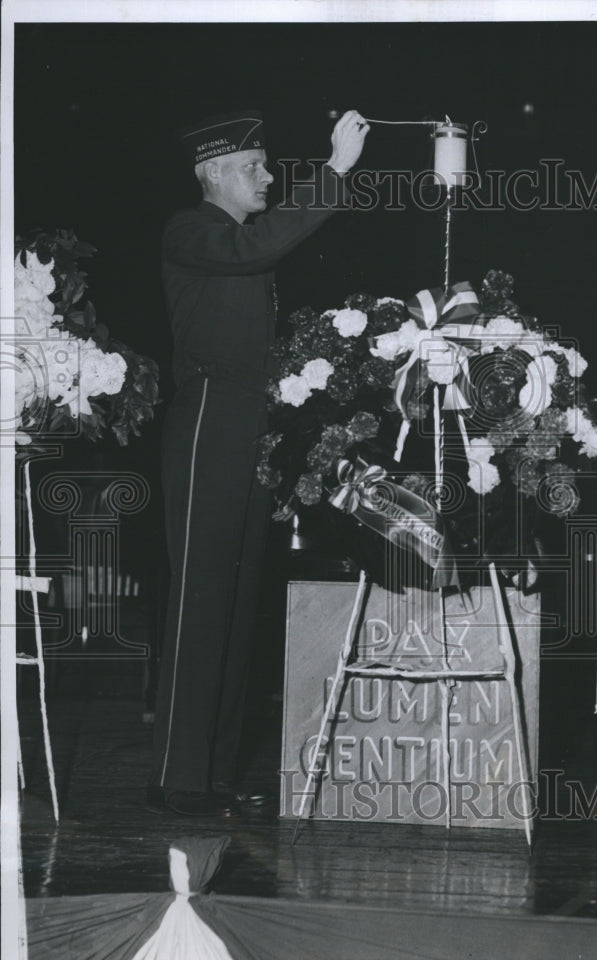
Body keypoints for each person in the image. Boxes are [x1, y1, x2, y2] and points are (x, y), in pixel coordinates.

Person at [147, 109, 370, 816]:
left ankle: (211, 772)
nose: (267, 176)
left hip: (250, 424)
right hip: (210, 417)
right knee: (201, 596)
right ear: (214, 174)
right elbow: (257, 251)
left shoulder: (236, 237)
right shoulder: (190, 228)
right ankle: (178, 775)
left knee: (239, 600)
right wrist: (332, 175)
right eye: (255, 167)